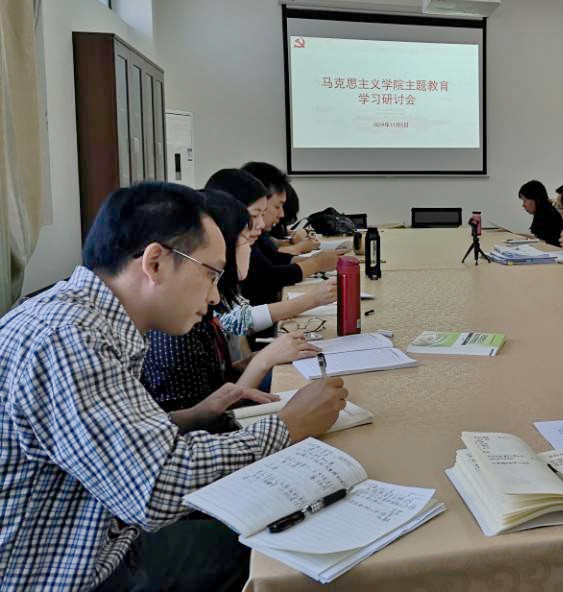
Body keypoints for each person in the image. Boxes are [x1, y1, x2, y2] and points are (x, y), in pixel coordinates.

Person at [0, 182, 347, 591]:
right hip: (69, 570)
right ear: (155, 262)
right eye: (210, 274)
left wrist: (190, 417)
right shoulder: (67, 338)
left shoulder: (84, 318)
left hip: (100, 531)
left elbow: (106, 441)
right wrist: (289, 425)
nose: (215, 296)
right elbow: (153, 490)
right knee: (278, 555)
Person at [142, 190, 334, 431]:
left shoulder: (200, 306)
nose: (259, 228)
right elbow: (208, 427)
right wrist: (262, 361)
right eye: (247, 240)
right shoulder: (178, 326)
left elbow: (212, 387)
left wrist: (246, 363)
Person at [238, 162, 343, 305]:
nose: (282, 214)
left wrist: (318, 261)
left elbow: (275, 258)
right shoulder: (238, 240)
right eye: (277, 206)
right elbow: (267, 276)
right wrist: (315, 263)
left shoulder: (255, 236)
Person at [518, 180, 563, 246]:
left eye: (525, 201)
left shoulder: (549, 216)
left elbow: (547, 243)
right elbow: (540, 239)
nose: (523, 205)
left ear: (536, 199)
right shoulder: (542, 212)